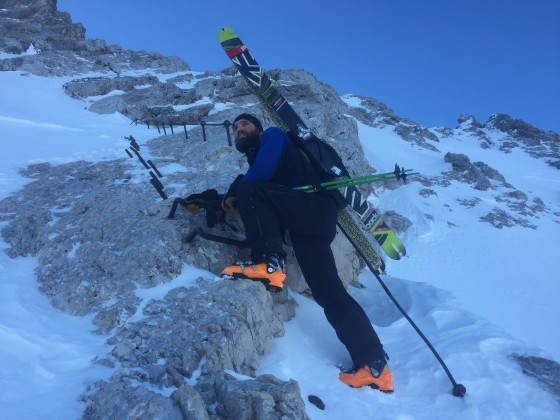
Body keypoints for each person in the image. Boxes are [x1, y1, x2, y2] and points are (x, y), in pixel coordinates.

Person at [186, 113, 393, 392]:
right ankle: (374, 364)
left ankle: (268, 262)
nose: (239, 130)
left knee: (251, 187)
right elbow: (262, 184)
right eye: (235, 128)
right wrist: (222, 199)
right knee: (328, 292)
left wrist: (243, 192)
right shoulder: (257, 157)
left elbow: (258, 177)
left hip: (314, 207)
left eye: (244, 125)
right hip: (309, 224)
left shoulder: (273, 136)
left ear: (258, 128)